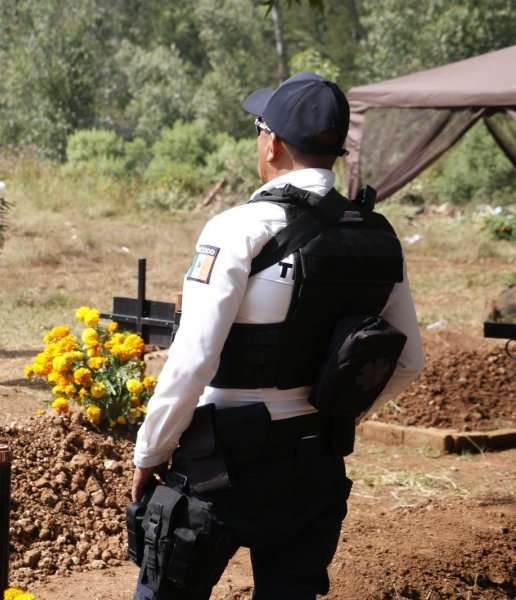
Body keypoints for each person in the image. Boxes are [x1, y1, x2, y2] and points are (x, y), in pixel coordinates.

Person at [130, 72, 425, 599]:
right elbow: (407, 362)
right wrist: (332, 411)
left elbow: (194, 360)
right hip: (317, 465)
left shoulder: (237, 228)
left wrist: (150, 452)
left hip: (220, 466)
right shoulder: (379, 236)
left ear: (272, 142)